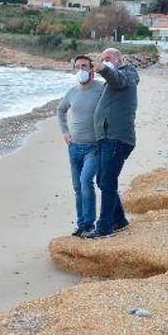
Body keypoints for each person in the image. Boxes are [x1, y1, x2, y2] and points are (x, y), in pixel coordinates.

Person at [82, 48, 139, 239]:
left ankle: (104, 227)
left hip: (117, 138)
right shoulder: (111, 81)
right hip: (107, 138)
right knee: (103, 180)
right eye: (102, 59)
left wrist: (103, 69)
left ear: (118, 59)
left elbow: (118, 79)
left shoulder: (127, 74)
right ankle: (119, 220)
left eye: (108, 58)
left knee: (106, 181)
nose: (104, 61)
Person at [57, 55, 105, 237]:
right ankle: (81, 224)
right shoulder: (72, 92)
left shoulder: (102, 89)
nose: (81, 70)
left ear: (92, 68)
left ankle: (89, 225)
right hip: (74, 147)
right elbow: (60, 110)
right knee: (78, 187)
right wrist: (64, 132)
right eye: (77, 67)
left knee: (86, 182)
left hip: (94, 147)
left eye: (84, 66)